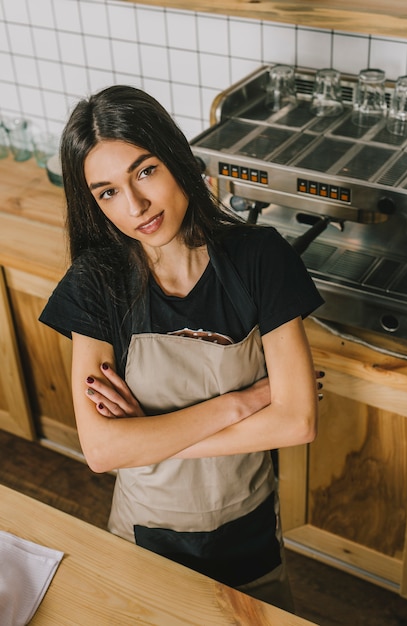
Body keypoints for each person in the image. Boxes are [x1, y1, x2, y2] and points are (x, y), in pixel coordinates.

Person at [39, 85, 324, 611]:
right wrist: (243, 402)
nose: (136, 206)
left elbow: (297, 422)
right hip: (147, 532)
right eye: (107, 193)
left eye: (145, 171)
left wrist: (146, 436)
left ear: (176, 160)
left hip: (250, 526)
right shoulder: (96, 282)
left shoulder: (260, 259)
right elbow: (102, 451)